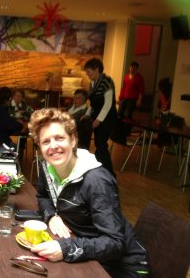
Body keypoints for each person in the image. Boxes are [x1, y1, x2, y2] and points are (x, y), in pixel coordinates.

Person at [28, 108, 149, 277]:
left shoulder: (97, 181)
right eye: (46, 141)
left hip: (120, 267)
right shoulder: (47, 168)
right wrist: (51, 216)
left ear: (73, 140)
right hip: (87, 252)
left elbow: (114, 243)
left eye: (60, 138)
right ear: (39, 146)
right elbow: (43, 196)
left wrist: (66, 248)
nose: (53, 146)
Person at [84, 58, 118, 176]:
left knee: (101, 144)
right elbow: (93, 103)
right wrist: (87, 114)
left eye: (89, 72)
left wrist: (99, 119)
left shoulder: (107, 81)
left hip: (107, 117)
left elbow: (108, 104)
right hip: (97, 116)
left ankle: (109, 173)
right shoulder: (92, 83)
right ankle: (102, 171)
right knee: (99, 144)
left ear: (97, 69)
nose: (87, 74)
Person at [8, 89, 34, 162]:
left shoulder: (25, 106)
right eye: (16, 96)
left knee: (21, 141)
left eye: (20, 96)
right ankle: (10, 159)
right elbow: (5, 118)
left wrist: (26, 124)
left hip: (22, 129)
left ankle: (19, 160)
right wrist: (15, 120)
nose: (18, 98)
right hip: (9, 129)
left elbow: (33, 115)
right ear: (13, 96)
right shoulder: (8, 105)